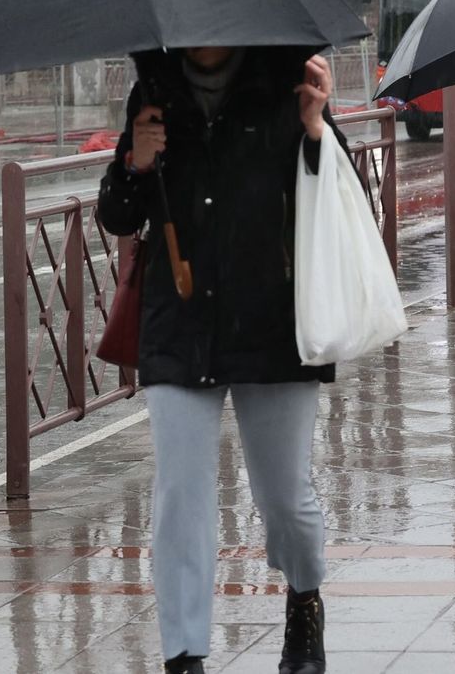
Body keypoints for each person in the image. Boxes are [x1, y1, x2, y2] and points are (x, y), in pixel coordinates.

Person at [98, 46, 345, 674]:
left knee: (285, 494)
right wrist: (137, 159)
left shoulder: (289, 80)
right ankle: (184, 654)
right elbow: (117, 212)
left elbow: (345, 196)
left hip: (272, 319)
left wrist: (317, 128)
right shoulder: (153, 91)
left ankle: (304, 598)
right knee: (181, 492)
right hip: (181, 322)